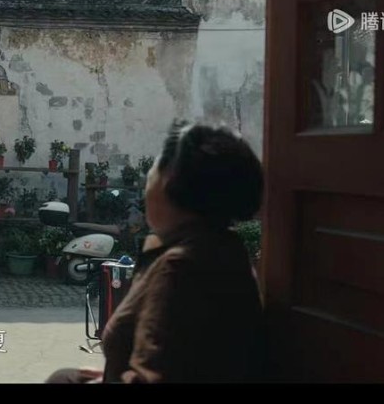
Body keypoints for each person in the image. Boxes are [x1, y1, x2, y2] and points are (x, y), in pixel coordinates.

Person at [48, 120, 266, 383]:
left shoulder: (182, 268)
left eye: (153, 170)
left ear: (169, 181)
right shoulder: (221, 247)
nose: (147, 183)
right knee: (66, 377)